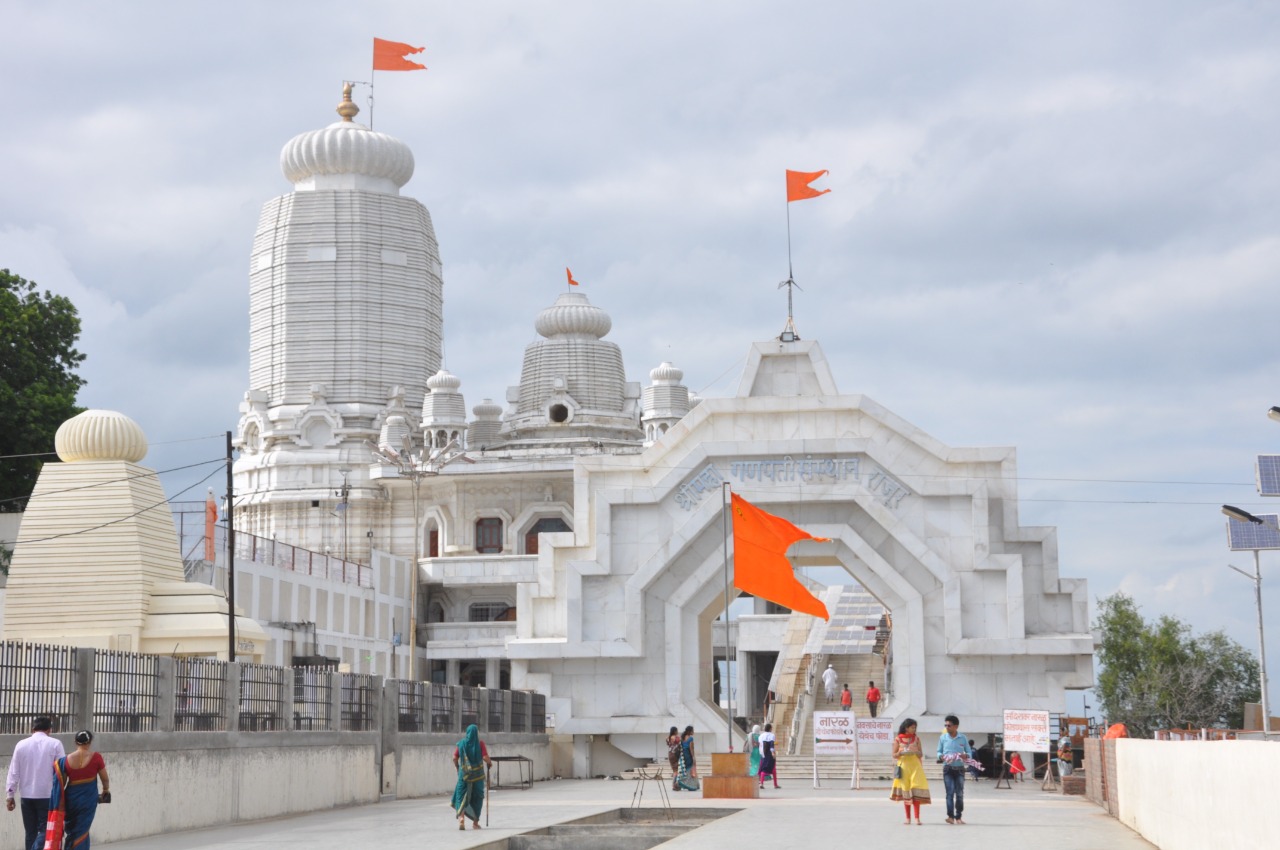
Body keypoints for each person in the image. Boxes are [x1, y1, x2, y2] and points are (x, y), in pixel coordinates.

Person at [6, 716, 66, 850]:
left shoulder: (21, 745)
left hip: (26, 796)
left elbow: (14, 772)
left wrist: (10, 795)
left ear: (32, 729)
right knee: (45, 830)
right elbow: (62, 771)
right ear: (49, 730)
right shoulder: (55, 744)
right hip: (47, 795)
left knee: (30, 832)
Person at [49, 730, 109, 850]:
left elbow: (62, 783)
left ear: (75, 742)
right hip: (88, 799)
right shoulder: (96, 757)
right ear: (90, 742)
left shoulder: (65, 760)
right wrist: (105, 790)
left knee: (72, 829)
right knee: (83, 830)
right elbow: (105, 779)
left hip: (71, 799)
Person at [450, 724, 491, 830]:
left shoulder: (462, 744)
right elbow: (485, 757)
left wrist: (457, 766)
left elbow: (454, 757)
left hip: (464, 776)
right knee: (478, 798)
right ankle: (475, 823)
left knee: (461, 796)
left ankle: (462, 819)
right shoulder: (480, 744)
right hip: (477, 777)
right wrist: (489, 763)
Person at [890, 717, 929, 825]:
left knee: (915, 791)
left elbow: (921, 754)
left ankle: (917, 818)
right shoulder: (898, 739)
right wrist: (900, 752)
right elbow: (894, 755)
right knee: (906, 791)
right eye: (912, 727)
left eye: (915, 727)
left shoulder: (916, 739)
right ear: (906, 728)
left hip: (915, 766)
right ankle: (908, 818)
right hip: (903, 767)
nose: (914, 729)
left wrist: (916, 751)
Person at [937, 714, 974, 825]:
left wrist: (965, 756)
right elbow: (939, 751)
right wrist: (941, 756)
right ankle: (950, 817)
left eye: (949, 725)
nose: (947, 727)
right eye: (946, 725)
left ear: (956, 726)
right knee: (949, 793)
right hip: (947, 769)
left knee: (959, 794)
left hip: (959, 769)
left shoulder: (963, 738)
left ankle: (958, 817)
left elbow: (969, 752)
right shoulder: (943, 738)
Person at [675, 726, 698, 791]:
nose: (693, 732)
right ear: (689, 731)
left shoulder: (682, 738)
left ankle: (679, 782)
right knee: (690, 769)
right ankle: (690, 786)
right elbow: (691, 749)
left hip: (682, 756)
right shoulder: (690, 739)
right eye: (692, 730)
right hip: (688, 755)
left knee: (684, 769)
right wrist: (693, 757)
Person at [757, 723, 779, 789]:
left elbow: (760, 745)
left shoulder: (761, 736)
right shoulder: (771, 735)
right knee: (771, 768)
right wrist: (773, 753)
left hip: (763, 754)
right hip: (769, 754)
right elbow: (772, 744)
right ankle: (775, 784)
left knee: (764, 767)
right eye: (771, 728)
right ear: (770, 728)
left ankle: (762, 783)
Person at [666, 726, 683, 791]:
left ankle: (675, 784)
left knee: (674, 771)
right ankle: (674, 785)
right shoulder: (676, 737)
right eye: (677, 730)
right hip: (675, 755)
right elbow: (680, 742)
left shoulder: (668, 738)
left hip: (670, 754)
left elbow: (669, 744)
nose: (678, 732)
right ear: (675, 731)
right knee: (676, 771)